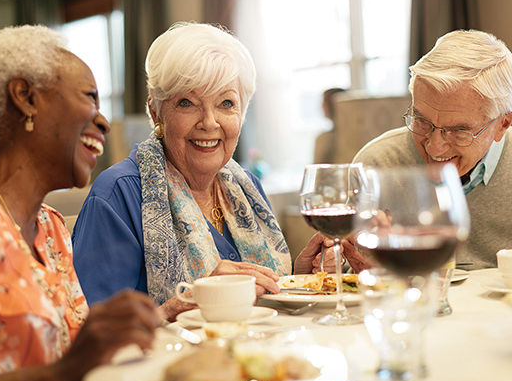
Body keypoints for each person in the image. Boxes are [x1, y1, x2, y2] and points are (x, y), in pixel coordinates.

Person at [0, 25, 159, 381]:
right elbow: (63, 372)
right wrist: (61, 375)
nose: (103, 121)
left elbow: (76, 359)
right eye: (89, 97)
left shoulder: (52, 229)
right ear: (26, 97)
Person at [72, 22, 335, 320]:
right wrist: (187, 302)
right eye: (187, 103)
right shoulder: (119, 193)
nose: (209, 122)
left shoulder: (246, 186)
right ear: (156, 111)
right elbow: (92, 332)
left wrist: (296, 280)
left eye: (226, 103)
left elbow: (258, 306)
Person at [350, 29, 512, 270]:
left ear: (504, 123)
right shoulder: (375, 165)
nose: (434, 146)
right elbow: (346, 280)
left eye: (459, 131)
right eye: (421, 121)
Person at [313, 87, 345, 164]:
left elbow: (318, 172)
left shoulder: (324, 138)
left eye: (324, 102)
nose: (322, 106)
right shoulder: (361, 134)